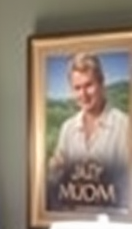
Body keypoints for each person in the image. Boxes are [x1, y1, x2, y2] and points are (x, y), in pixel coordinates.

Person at [47, 51, 131, 210]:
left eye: (89, 85)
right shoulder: (67, 129)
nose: (83, 94)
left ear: (102, 83)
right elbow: (56, 183)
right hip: (74, 226)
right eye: (77, 88)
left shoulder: (125, 126)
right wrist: (52, 173)